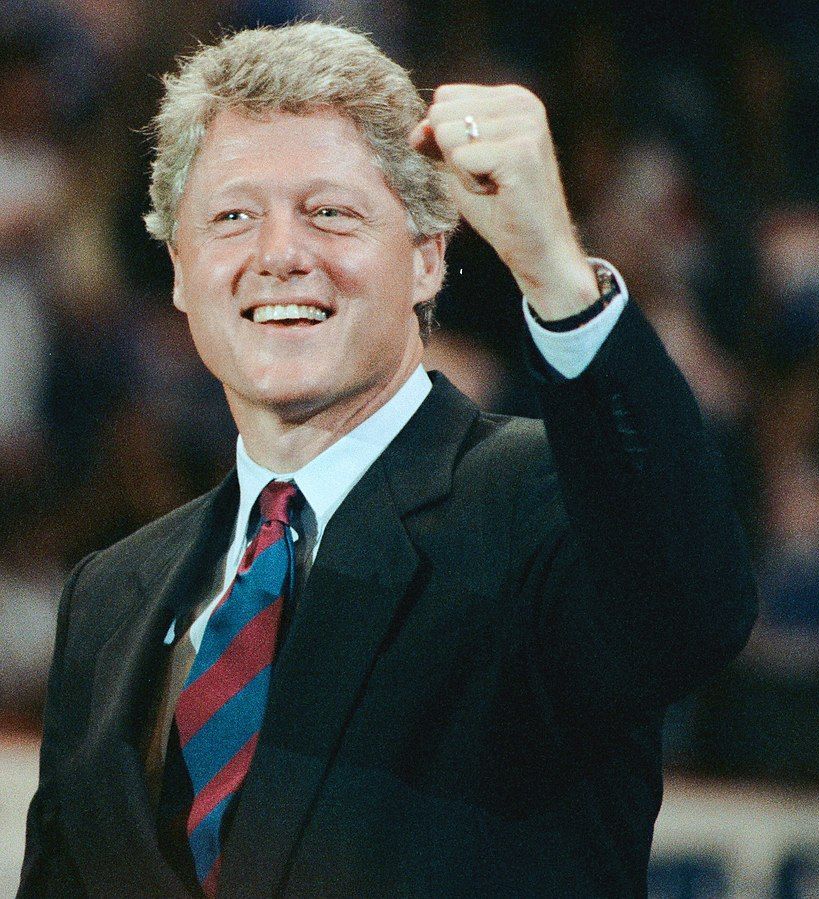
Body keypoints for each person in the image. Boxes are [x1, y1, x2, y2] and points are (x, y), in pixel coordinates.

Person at [18, 22, 757, 899]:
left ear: (428, 256)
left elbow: (692, 609)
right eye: (231, 216)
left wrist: (556, 271)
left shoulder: (545, 504)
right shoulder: (107, 597)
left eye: (330, 211)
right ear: (180, 270)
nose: (280, 253)